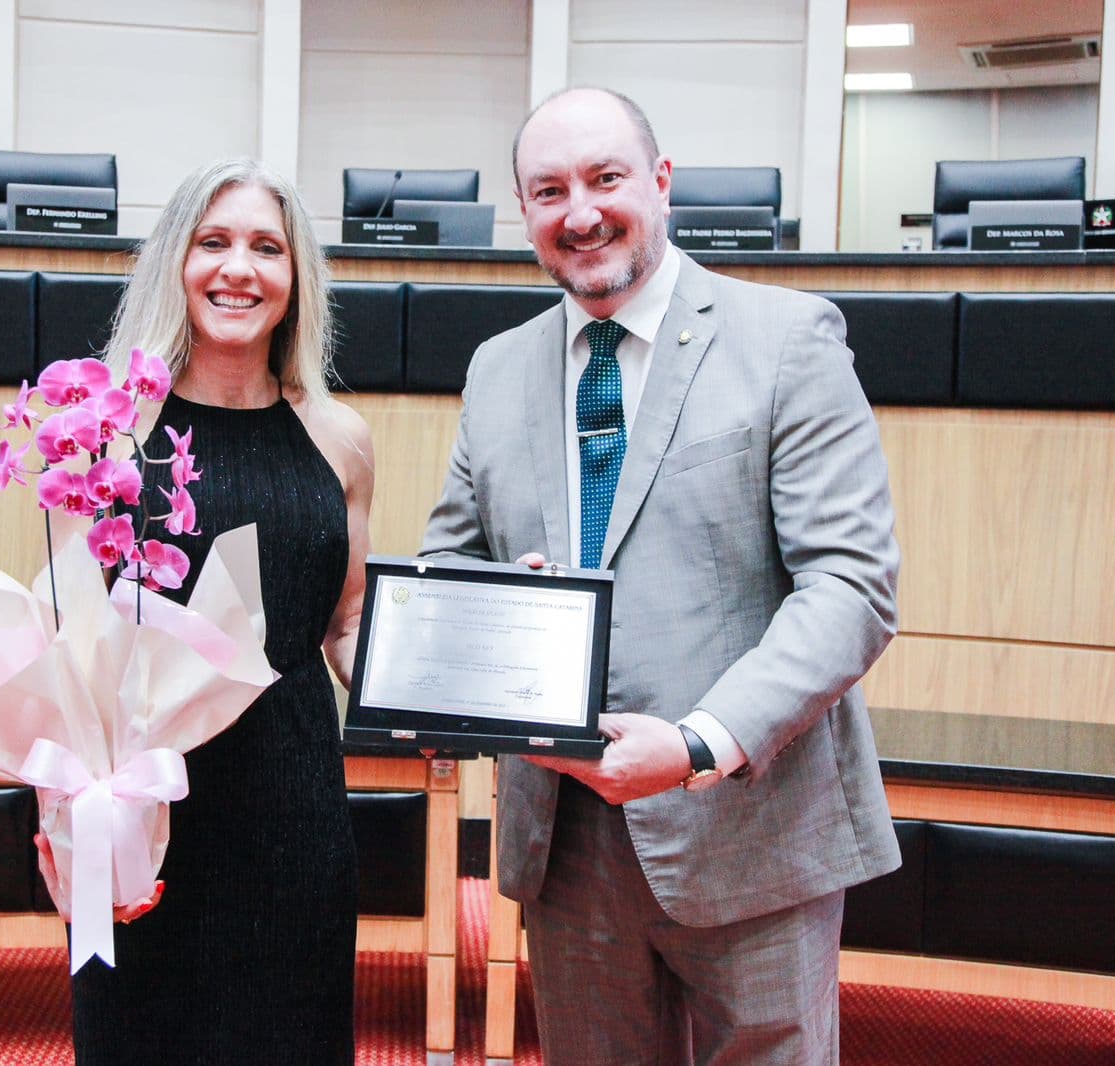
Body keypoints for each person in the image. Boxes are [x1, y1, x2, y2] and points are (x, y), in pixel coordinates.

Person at [419, 88, 901, 1065]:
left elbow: (850, 586)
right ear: (524, 211)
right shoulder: (498, 370)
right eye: (549, 190)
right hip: (567, 844)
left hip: (749, 827)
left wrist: (695, 744)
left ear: (662, 181)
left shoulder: (787, 339)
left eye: (605, 178)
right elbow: (450, 563)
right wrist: (487, 620)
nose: (580, 213)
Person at [66, 158, 374, 1064]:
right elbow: (72, 641)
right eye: (214, 242)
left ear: (295, 277)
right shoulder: (111, 431)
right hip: (149, 809)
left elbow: (346, 623)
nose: (239, 268)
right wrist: (67, 823)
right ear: (177, 261)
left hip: (294, 803)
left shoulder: (340, 438)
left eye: (267, 248)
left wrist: (433, 688)